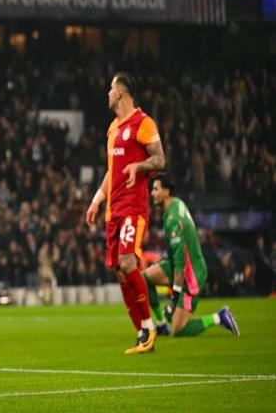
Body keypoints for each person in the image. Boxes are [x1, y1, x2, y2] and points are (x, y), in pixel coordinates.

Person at [86, 72, 165, 355]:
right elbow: (112, 170)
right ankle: (142, 332)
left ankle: (150, 328)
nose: (107, 93)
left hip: (133, 207)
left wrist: (139, 167)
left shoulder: (143, 123)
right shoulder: (112, 129)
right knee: (121, 272)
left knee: (128, 261)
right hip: (114, 210)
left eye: (111, 88)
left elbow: (160, 159)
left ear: (120, 93)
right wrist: (97, 200)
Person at [143, 173, 240, 337]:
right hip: (181, 264)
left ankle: (219, 317)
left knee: (178, 330)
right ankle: (161, 324)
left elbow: (180, 262)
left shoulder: (172, 219)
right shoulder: (176, 204)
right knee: (144, 278)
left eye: (156, 189)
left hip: (191, 275)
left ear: (166, 192)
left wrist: (173, 300)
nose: (152, 193)